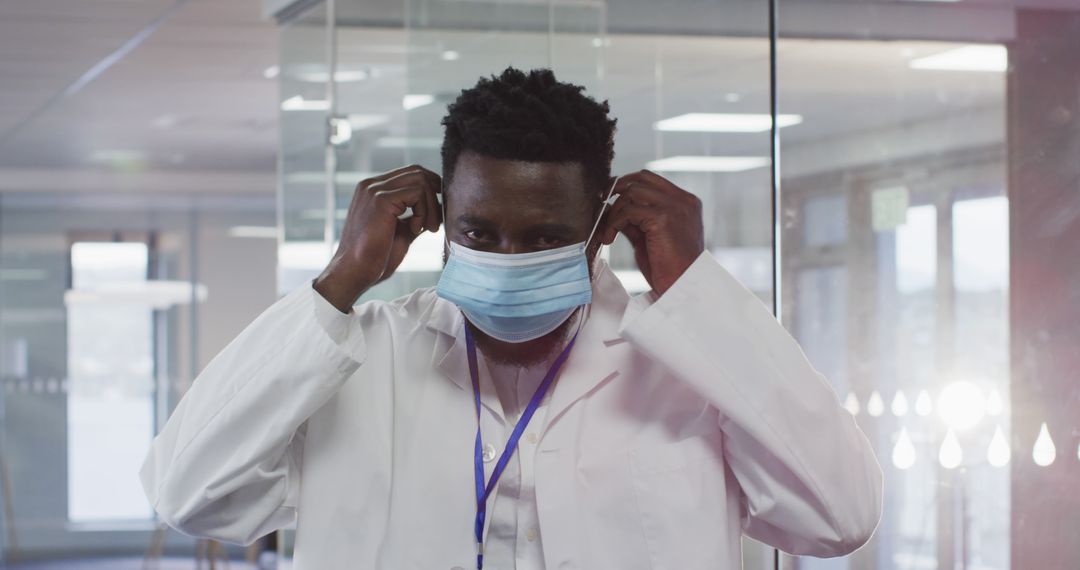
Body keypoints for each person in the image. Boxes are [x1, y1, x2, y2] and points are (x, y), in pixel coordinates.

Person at [139, 67, 882, 570]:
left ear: (601, 229)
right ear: (442, 222)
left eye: (544, 238)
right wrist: (340, 283)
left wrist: (697, 295)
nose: (507, 257)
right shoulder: (363, 356)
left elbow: (837, 516)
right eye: (479, 233)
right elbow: (188, 492)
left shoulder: (690, 366)